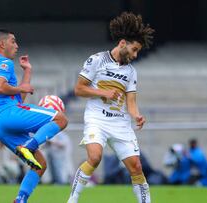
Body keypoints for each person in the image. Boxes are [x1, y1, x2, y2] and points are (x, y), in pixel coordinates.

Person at [67, 12, 154, 203]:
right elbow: (79, 89)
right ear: (122, 43)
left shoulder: (131, 71)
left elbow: (131, 102)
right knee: (95, 157)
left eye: (138, 51)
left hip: (120, 123)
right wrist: (103, 93)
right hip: (97, 119)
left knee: (136, 167)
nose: (135, 55)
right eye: (134, 49)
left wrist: (137, 116)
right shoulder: (96, 60)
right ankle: (72, 200)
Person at [0, 29, 68, 203]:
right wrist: (20, 88)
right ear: (2, 44)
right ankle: (30, 144)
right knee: (61, 119)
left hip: (0, 124)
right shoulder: (3, 63)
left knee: (39, 164)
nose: (16, 46)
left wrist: (27, 72)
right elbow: (0, 87)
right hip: (7, 114)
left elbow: (18, 100)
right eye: (13, 42)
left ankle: (20, 199)